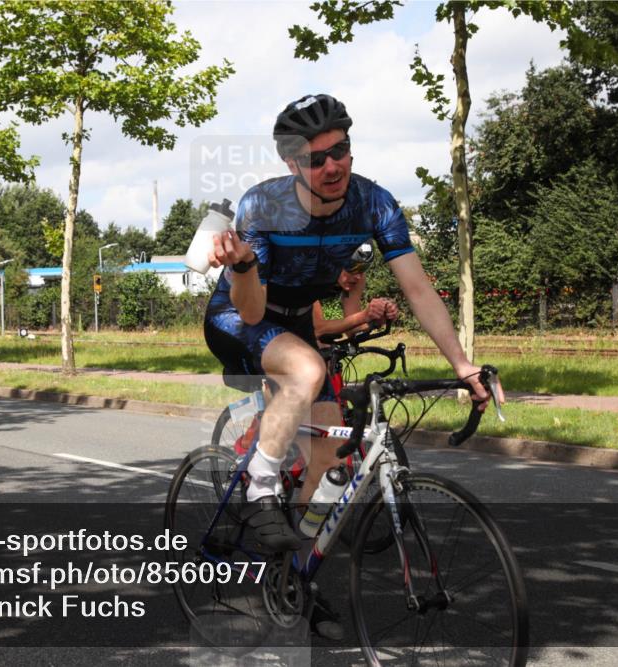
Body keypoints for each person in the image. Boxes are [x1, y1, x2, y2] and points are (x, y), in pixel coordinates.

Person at [204, 93, 502, 555]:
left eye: (338, 150)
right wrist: (242, 266)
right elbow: (252, 314)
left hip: (298, 321)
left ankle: (293, 576)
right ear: (292, 165)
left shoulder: (373, 204)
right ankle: (258, 488)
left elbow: (418, 289)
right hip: (238, 315)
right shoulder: (262, 205)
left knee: (325, 460)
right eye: (315, 158)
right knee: (306, 369)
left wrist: (462, 364)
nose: (331, 166)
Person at [312, 242, 398, 341]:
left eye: (363, 268)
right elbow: (318, 330)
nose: (358, 276)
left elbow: (351, 330)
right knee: (318, 345)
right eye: (353, 267)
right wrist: (364, 316)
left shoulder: (357, 279)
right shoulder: (311, 273)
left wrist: (377, 320)